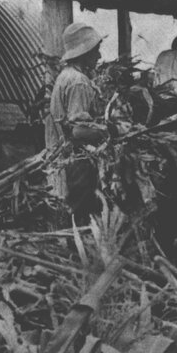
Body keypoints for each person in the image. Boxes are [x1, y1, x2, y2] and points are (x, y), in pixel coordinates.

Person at [46, 22, 107, 223]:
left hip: (65, 154)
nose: (98, 56)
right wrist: (108, 132)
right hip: (78, 158)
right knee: (82, 209)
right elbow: (79, 131)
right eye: (95, 51)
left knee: (74, 207)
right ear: (85, 52)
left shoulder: (65, 76)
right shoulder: (79, 81)